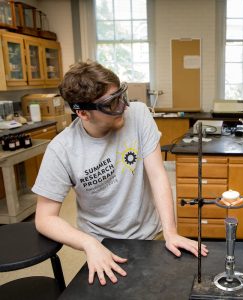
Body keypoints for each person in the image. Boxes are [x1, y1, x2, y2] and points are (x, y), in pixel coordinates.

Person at [33, 61, 208, 285]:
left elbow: (157, 175)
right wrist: (89, 244)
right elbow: (45, 218)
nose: (123, 107)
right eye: (111, 104)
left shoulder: (138, 114)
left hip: (150, 235)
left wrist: (170, 231)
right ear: (83, 113)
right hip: (103, 245)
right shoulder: (62, 150)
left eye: (121, 96)